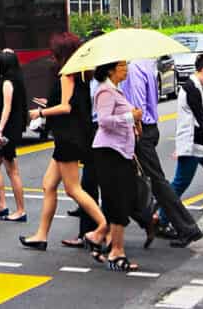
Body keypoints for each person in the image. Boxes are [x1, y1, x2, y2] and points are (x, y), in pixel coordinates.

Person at [20, 32, 108, 251]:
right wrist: (48, 104)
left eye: (55, 53)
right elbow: (70, 104)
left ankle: (104, 226)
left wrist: (40, 113)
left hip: (67, 138)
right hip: (70, 136)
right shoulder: (81, 74)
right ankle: (41, 235)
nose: (52, 57)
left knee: (73, 189)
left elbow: (65, 107)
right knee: (48, 185)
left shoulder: (66, 74)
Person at [122, 56, 203, 248]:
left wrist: (133, 127)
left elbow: (138, 107)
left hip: (140, 130)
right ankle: (152, 221)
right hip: (151, 128)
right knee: (130, 180)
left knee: (157, 182)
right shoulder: (147, 65)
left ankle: (185, 227)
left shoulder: (134, 69)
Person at [92, 60, 145, 272]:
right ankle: (116, 251)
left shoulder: (116, 90)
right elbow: (103, 121)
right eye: (122, 66)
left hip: (120, 152)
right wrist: (129, 116)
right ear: (111, 70)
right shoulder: (105, 91)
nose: (126, 69)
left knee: (123, 199)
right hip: (109, 152)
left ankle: (102, 240)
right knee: (118, 201)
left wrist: (134, 122)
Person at [166, 53, 203, 246]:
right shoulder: (191, 88)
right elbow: (202, 119)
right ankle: (161, 218)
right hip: (192, 146)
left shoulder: (198, 86)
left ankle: (161, 218)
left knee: (178, 185)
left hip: (199, 144)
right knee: (179, 185)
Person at [0, 50, 27, 222]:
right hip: (13, 129)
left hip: (7, 131)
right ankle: (3, 206)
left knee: (12, 171)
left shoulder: (7, 83)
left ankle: (20, 210)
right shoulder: (15, 79)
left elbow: (6, 108)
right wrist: (6, 54)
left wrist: (0, 131)